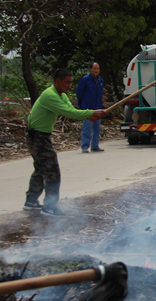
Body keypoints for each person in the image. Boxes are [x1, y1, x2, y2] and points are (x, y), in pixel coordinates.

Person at [24, 68, 106, 218]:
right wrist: (91, 113)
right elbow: (69, 113)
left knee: (41, 169)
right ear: (57, 81)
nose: (69, 86)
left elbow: (71, 110)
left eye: (71, 83)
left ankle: (31, 201)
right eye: (67, 82)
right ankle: (50, 206)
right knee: (51, 170)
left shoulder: (61, 95)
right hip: (36, 137)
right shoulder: (50, 95)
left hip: (41, 136)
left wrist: (89, 116)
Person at [76, 62, 105, 153]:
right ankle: (85, 146)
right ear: (90, 69)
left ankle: (95, 145)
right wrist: (82, 105)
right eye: (94, 69)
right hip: (88, 108)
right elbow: (79, 93)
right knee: (87, 127)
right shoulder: (85, 79)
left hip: (98, 107)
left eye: (98, 69)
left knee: (97, 128)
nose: (96, 71)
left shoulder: (100, 80)